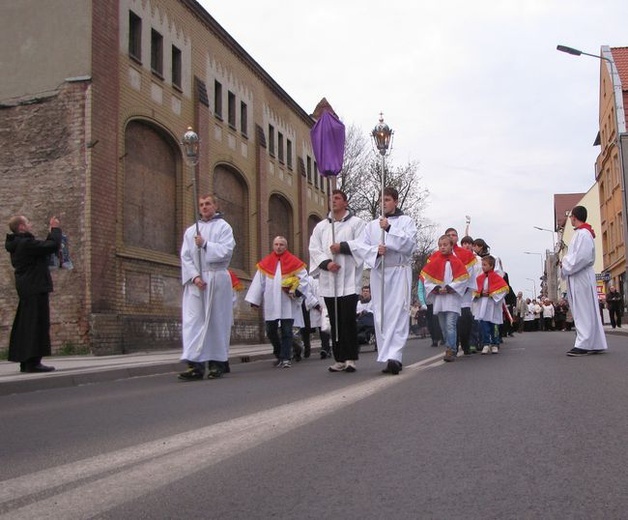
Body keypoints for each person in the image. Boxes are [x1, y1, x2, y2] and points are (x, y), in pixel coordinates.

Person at [358, 187, 417, 374]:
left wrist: (389, 229)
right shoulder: (371, 225)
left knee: (398, 312)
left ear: (396, 201)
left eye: (388, 199)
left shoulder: (406, 221)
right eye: (381, 199)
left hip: (399, 271)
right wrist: (376, 251)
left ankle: (395, 357)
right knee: (381, 314)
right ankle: (386, 354)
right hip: (379, 273)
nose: (384, 202)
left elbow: (409, 245)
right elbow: (362, 247)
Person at [179, 195, 235, 381]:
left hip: (216, 277)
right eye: (201, 204)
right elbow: (185, 256)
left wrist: (205, 245)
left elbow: (226, 251)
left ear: (215, 206)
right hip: (197, 283)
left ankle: (216, 363)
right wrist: (194, 276)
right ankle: (194, 364)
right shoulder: (191, 231)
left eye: (208, 204)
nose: (204, 207)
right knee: (193, 322)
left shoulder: (224, 227)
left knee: (215, 322)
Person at [309, 189, 365, 372]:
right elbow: (314, 249)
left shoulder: (356, 224)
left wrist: (342, 246)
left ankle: (351, 358)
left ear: (345, 202)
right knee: (335, 321)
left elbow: (363, 244)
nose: (333, 201)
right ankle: (339, 358)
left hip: (348, 280)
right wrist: (326, 264)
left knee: (348, 319)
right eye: (331, 198)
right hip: (330, 281)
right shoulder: (322, 226)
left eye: (337, 198)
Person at [5, 215, 62, 373]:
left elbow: (44, 246)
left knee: (27, 325)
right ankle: (33, 362)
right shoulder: (25, 243)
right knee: (37, 325)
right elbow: (51, 246)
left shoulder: (18, 244)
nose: (30, 224)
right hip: (35, 286)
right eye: (28, 222)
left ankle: (26, 360)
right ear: (21, 227)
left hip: (27, 288)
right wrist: (55, 229)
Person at [246, 236, 309, 368]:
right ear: (273, 246)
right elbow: (259, 283)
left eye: (281, 244)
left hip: (287, 303)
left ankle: (286, 357)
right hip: (271, 303)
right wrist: (254, 301)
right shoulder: (266, 263)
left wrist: (295, 291)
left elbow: (304, 280)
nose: (278, 247)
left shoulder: (294, 262)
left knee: (287, 331)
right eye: (276, 244)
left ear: (285, 247)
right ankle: (279, 352)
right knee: (270, 331)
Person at [560, 205, 608, 356]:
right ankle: (594, 342)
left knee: (583, 310)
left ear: (575, 216)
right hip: (578, 275)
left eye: (571, 217)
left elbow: (582, 257)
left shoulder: (584, 234)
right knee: (586, 309)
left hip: (580, 275)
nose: (570, 219)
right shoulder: (581, 233)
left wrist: (565, 262)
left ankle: (584, 343)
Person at [421, 235, 469, 362]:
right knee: (443, 326)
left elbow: (463, 279)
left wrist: (449, 288)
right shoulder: (434, 262)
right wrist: (436, 289)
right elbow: (427, 281)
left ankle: (451, 349)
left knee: (450, 324)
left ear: (451, 245)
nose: (442, 247)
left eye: (445, 245)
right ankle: (450, 345)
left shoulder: (456, 262)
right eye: (440, 245)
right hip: (440, 300)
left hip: (452, 299)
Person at [472, 255, 508, 354]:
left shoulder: (497, 278)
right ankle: (486, 344)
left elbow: (504, 289)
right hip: (483, 305)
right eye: (482, 265)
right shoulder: (479, 278)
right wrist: (480, 294)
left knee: (494, 326)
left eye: (485, 265)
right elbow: (474, 291)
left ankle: (495, 343)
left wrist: (492, 294)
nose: (482, 267)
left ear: (491, 266)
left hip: (493, 305)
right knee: (484, 326)